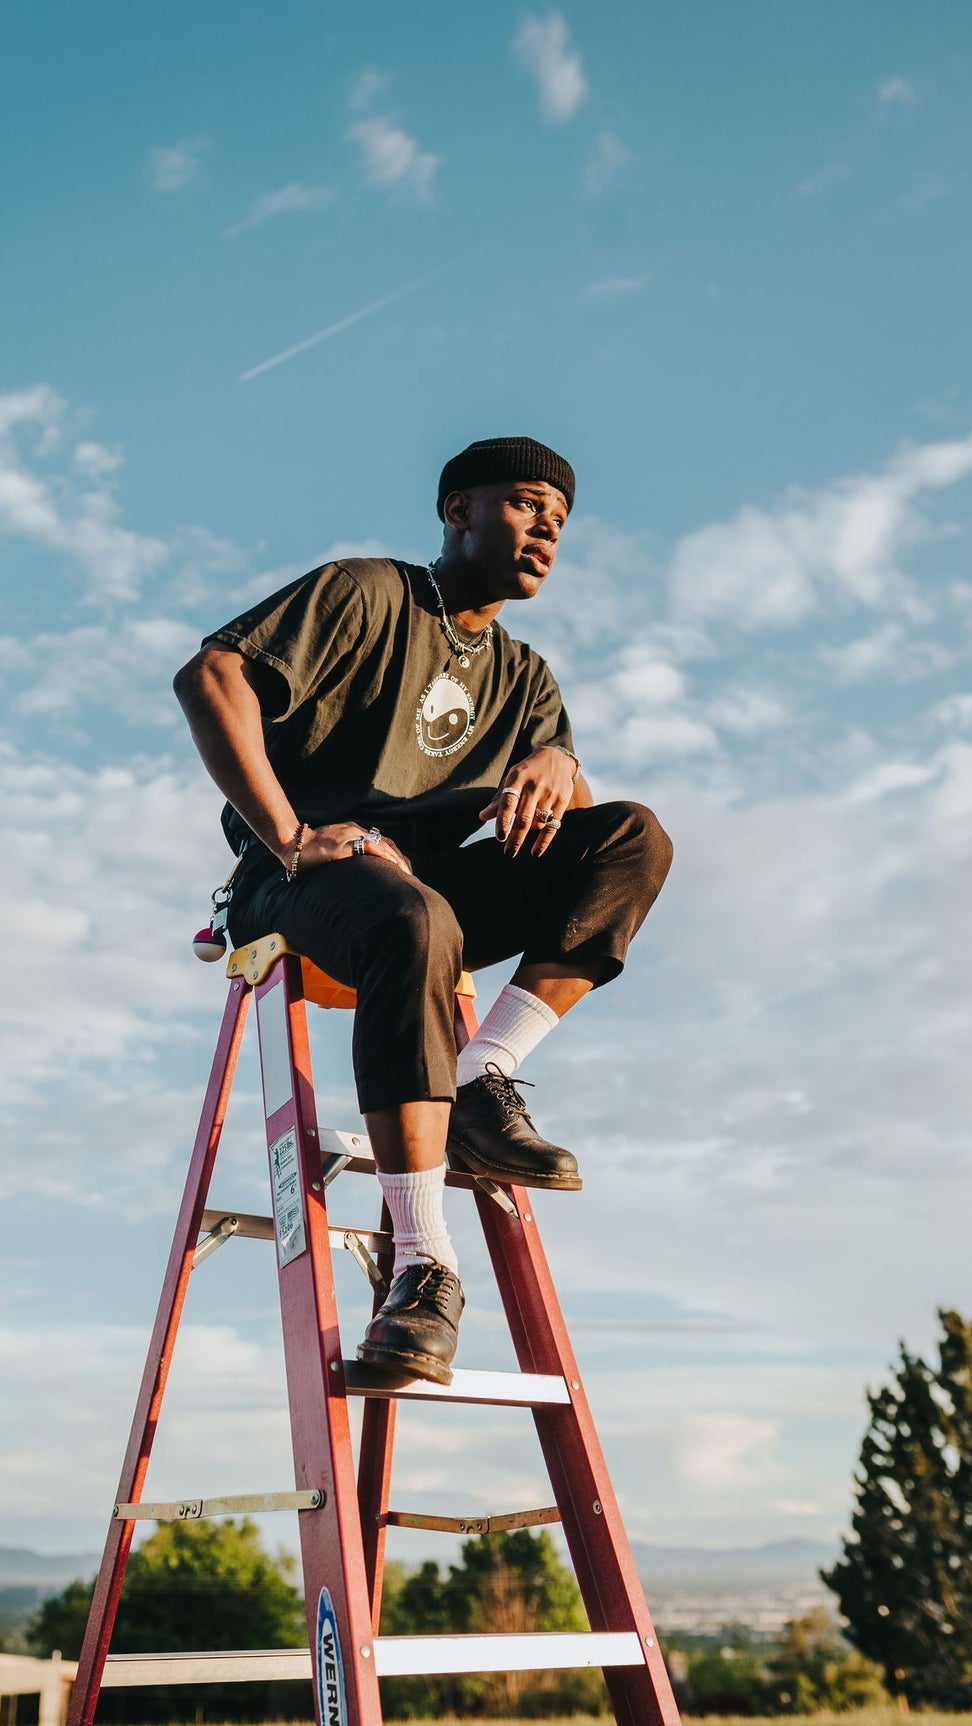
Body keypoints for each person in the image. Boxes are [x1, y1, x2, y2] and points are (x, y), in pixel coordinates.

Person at [174, 436, 673, 1386]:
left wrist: (561, 766)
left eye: (560, 521)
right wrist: (287, 834)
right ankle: (423, 1264)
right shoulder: (369, 592)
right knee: (409, 914)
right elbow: (210, 677)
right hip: (307, 883)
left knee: (631, 835)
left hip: (428, 897)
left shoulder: (527, 677)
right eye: (527, 505)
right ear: (460, 511)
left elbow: (565, 822)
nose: (546, 532)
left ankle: (484, 1076)